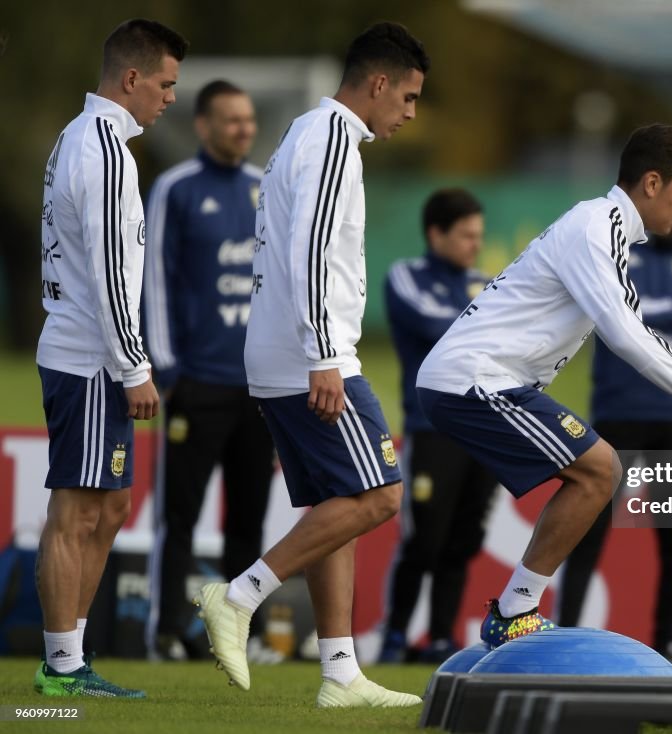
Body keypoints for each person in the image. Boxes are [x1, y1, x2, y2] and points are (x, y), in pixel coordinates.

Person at [416, 124, 672, 650]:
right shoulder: (596, 227)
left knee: (597, 472)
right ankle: (514, 612)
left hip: (487, 380)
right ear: (651, 183)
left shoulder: (603, 228)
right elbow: (626, 335)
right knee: (601, 470)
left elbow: (633, 327)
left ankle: (253, 590)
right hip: (473, 380)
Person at [192, 22, 427, 708]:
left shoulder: (307, 134)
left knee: (341, 505)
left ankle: (339, 673)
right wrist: (325, 355)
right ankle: (238, 597)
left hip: (280, 352)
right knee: (381, 495)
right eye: (408, 97)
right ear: (377, 83)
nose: (410, 113)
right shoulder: (329, 140)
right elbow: (309, 252)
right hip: (311, 357)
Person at [34, 19, 187, 697]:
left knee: (113, 506)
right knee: (81, 511)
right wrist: (135, 366)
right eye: (165, 83)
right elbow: (107, 270)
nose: (171, 97)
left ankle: (71, 655)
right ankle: (62, 665)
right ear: (132, 79)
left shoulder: (90, 140)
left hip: (87, 351)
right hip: (89, 357)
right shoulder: (100, 150)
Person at [142, 80, 279, 664]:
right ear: (203, 126)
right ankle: (167, 631)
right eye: (231, 120)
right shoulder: (175, 188)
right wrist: (167, 367)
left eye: (248, 120)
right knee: (180, 516)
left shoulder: (264, 190)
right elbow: (153, 281)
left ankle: (240, 637)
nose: (244, 130)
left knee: (248, 521)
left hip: (258, 389)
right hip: (196, 382)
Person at [557, 223, 672, 659]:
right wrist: (669, 314)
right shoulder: (617, 254)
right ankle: (564, 636)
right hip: (617, 413)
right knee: (587, 529)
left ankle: (666, 643)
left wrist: (642, 319)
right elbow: (611, 324)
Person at [378, 188, 498, 664]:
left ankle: (442, 638)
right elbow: (430, 324)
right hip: (431, 428)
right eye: (466, 235)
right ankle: (394, 636)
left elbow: (506, 337)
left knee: (462, 541)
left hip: (484, 430)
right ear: (436, 233)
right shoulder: (405, 276)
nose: (474, 244)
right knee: (424, 539)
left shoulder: (488, 282)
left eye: (479, 235)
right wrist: (479, 327)